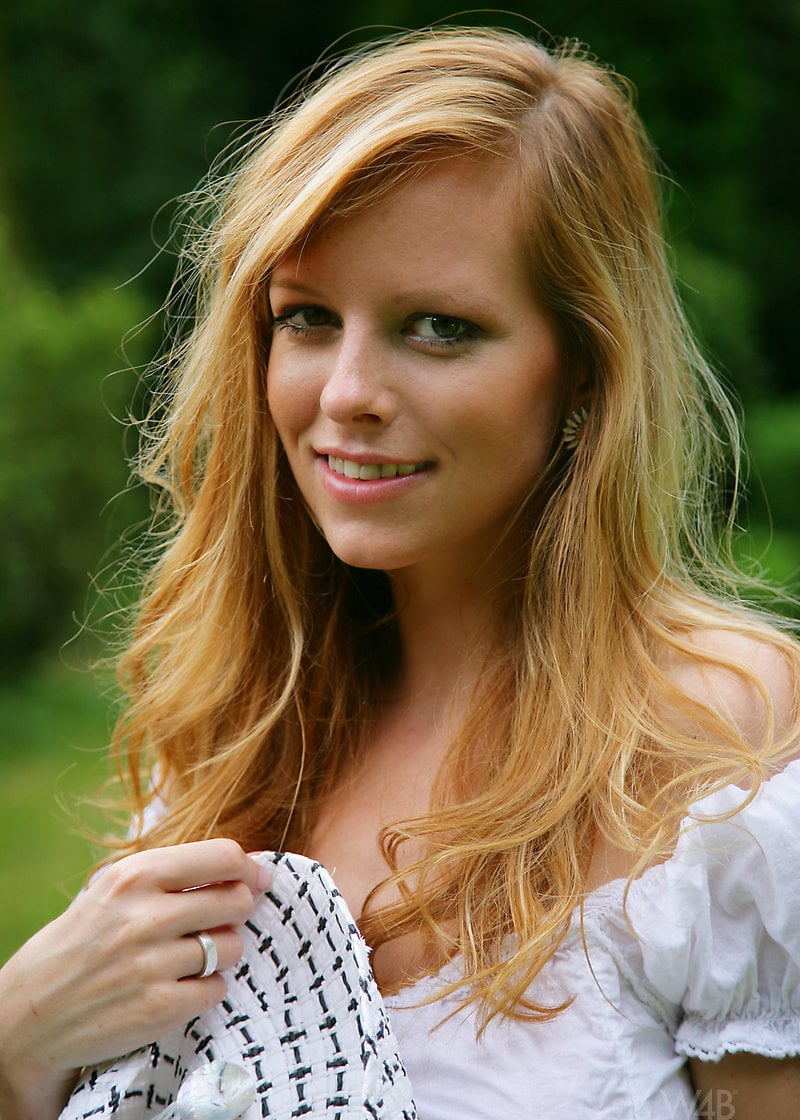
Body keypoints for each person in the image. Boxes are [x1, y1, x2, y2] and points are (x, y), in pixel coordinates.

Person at [1, 25, 799, 1120]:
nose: (346, 394)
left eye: (437, 327)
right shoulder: (235, 731)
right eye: (307, 319)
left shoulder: (720, 752)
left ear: (583, 368)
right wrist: (19, 1038)